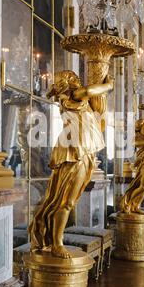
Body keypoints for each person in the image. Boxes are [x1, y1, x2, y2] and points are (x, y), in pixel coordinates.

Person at [30, 70, 114, 259]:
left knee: (67, 200)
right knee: (65, 201)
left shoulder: (79, 102)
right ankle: (57, 243)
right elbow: (92, 89)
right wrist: (108, 86)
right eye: (74, 78)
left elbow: (99, 119)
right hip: (73, 152)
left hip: (82, 152)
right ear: (66, 84)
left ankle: (53, 239)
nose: (78, 79)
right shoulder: (73, 96)